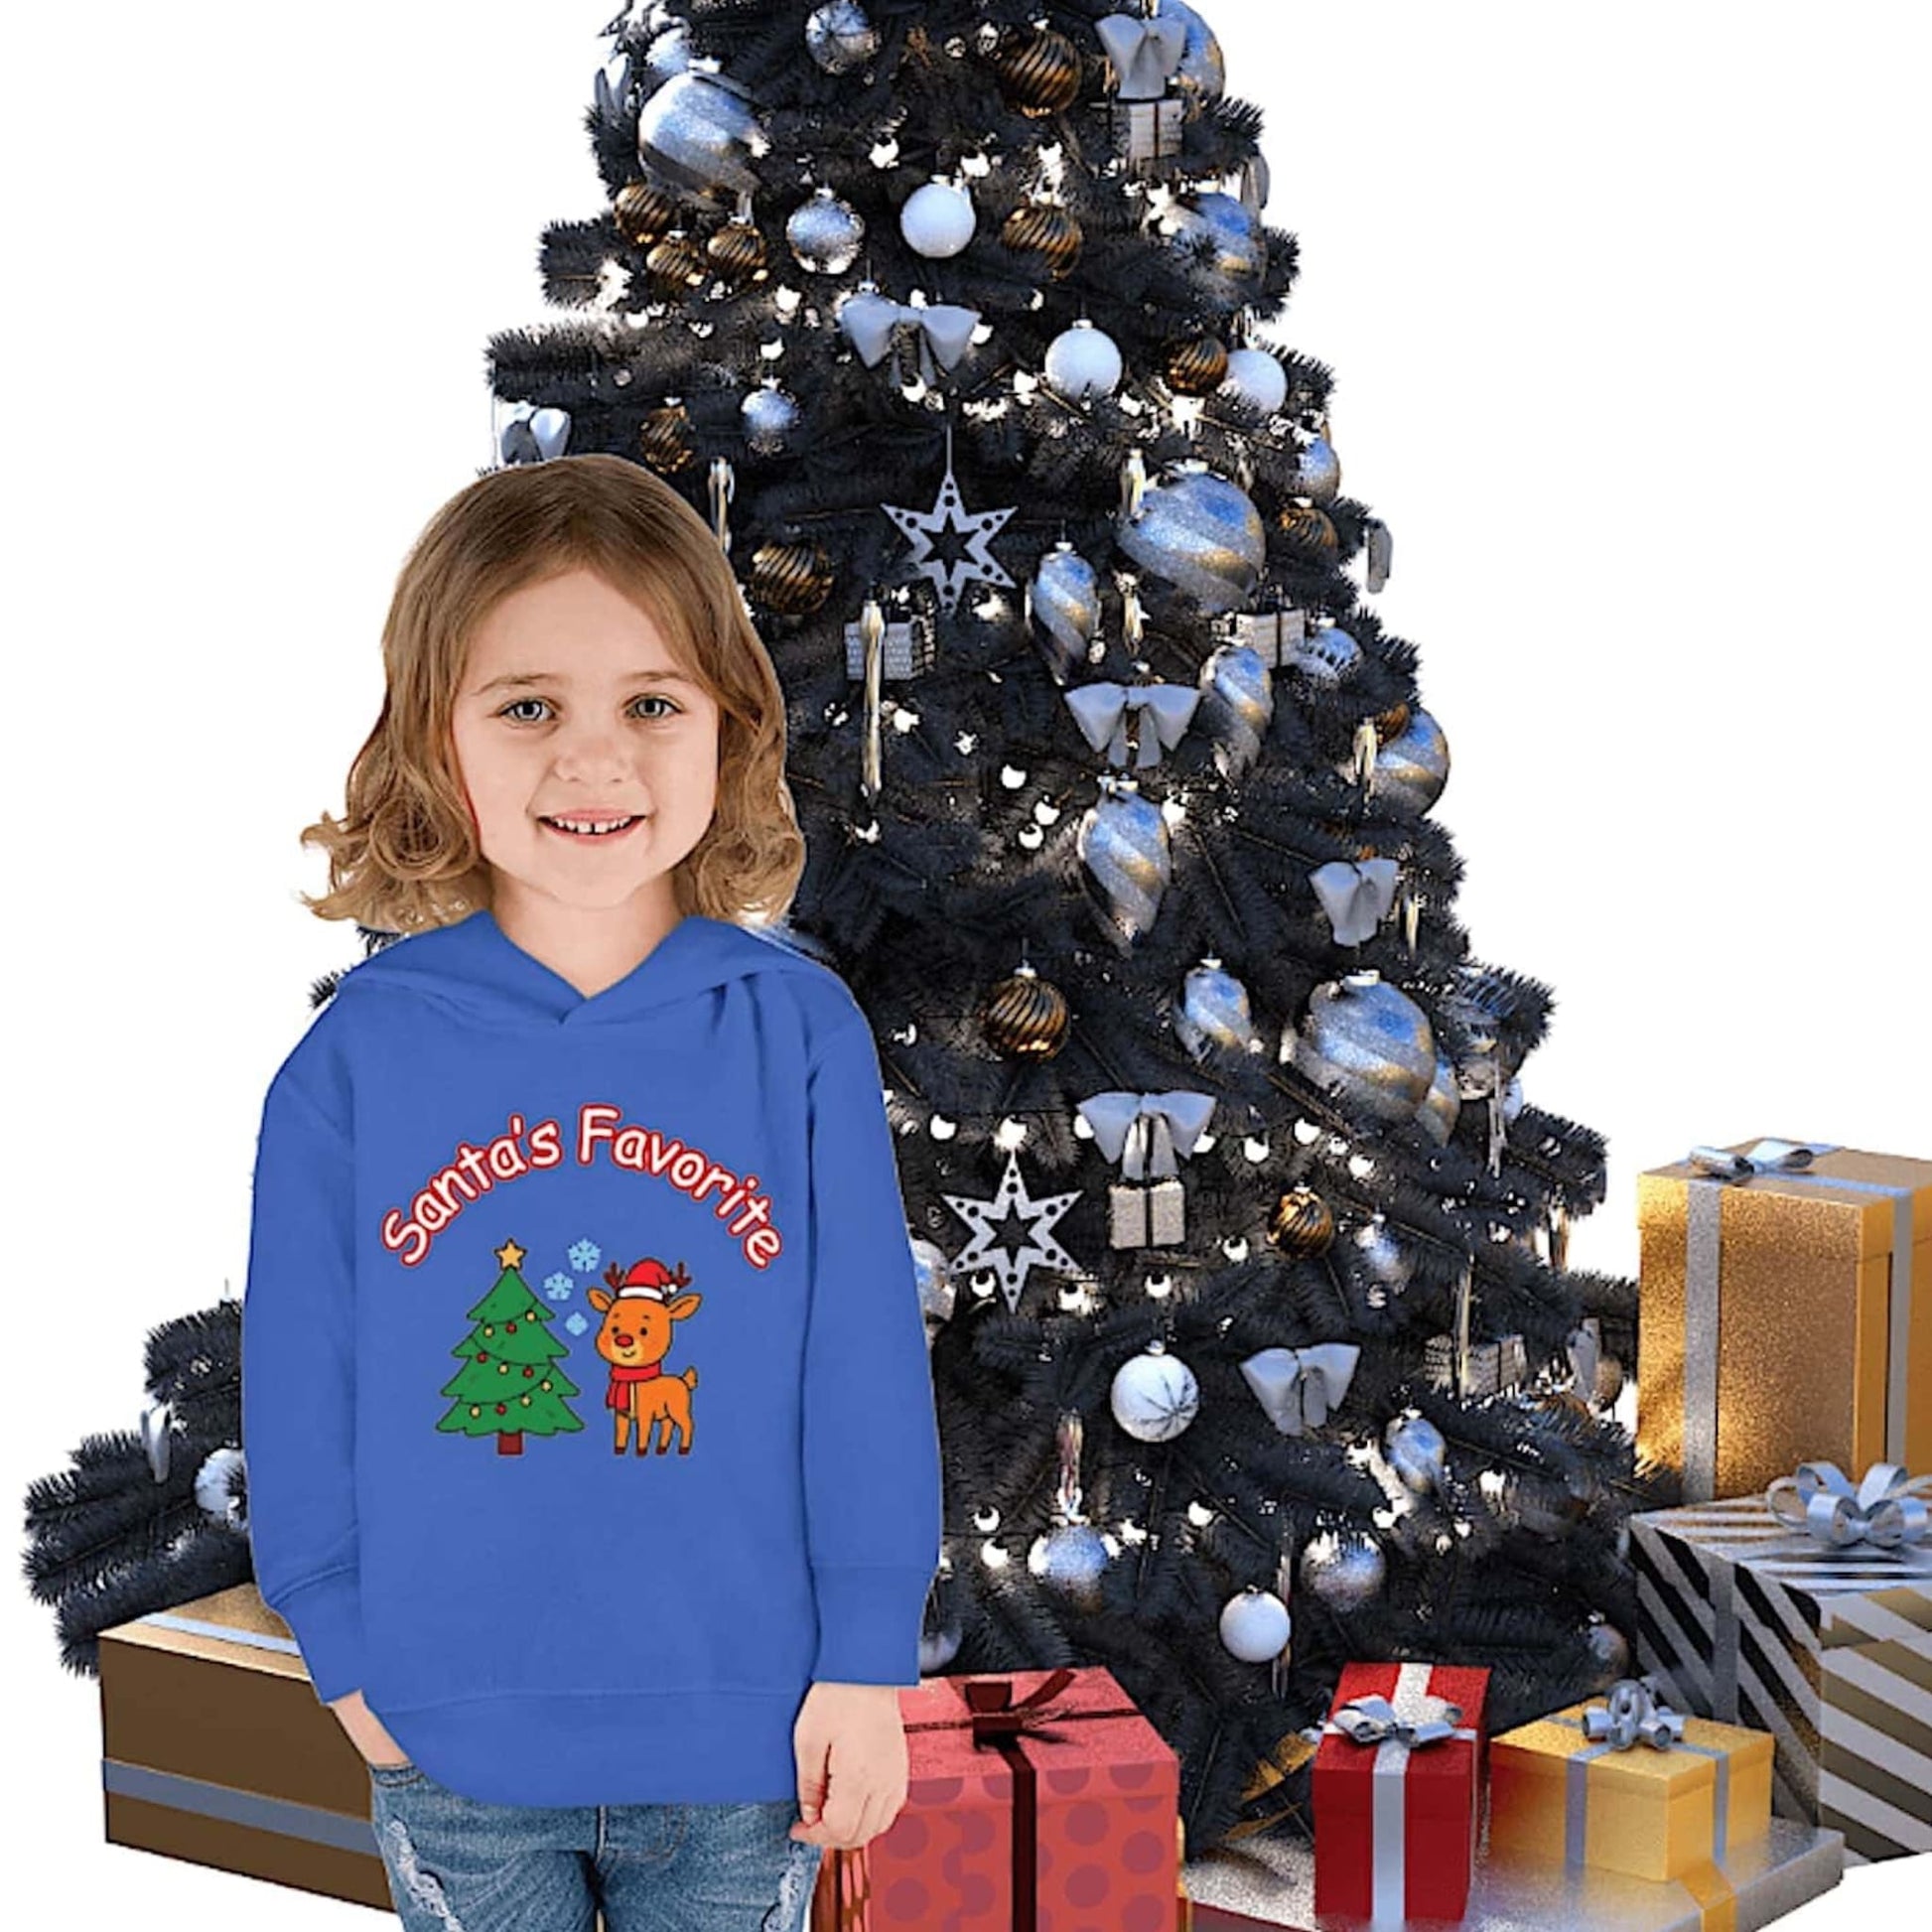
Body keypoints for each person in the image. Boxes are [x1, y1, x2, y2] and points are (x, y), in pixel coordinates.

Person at [239, 451, 945, 1932]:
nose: (592, 759)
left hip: (747, 1745)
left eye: (649, 702)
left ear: (724, 728)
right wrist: (350, 1659)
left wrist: (868, 1660)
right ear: (437, 738)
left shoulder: (794, 1032)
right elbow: (302, 1378)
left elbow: (864, 1370)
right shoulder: (359, 1057)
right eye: (527, 706)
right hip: (449, 1735)